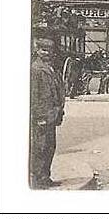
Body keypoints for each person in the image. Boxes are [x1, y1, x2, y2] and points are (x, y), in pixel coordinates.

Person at [30, 37, 65, 188]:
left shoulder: (51, 68)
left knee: (50, 146)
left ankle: (45, 176)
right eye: (44, 50)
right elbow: (33, 95)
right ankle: (37, 178)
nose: (47, 53)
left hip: (52, 114)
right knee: (40, 147)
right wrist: (38, 116)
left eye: (50, 51)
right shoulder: (35, 69)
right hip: (42, 116)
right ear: (37, 50)